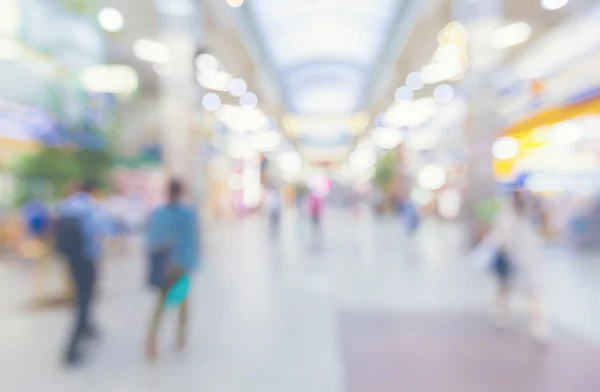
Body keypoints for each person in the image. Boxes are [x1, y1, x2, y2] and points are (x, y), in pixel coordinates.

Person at [146, 179, 199, 360]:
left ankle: (153, 334)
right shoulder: (187, 214)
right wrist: (192, 263)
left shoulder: (159, 213)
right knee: (182, 299)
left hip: (165, 264)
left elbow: (153, 240)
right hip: (182, 264)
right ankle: (180, 336)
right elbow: (193, 240)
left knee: (162, 300)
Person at [56, 180, 108, 366]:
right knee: (85, 298)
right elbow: (103, 229)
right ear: (93, 191)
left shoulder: (66, 204)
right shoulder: (92, 207)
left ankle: (87, 327)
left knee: (81, 294)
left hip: (71, 259)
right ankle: (71, 350)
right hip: (86, 258)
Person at [489, 190, 549, 342]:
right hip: (512, 261)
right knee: (505, 289)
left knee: (531, 293)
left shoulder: (532, 219)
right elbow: (500, 239)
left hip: (527, 263)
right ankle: (501, 313)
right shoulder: (508, 217)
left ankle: (539, 326)